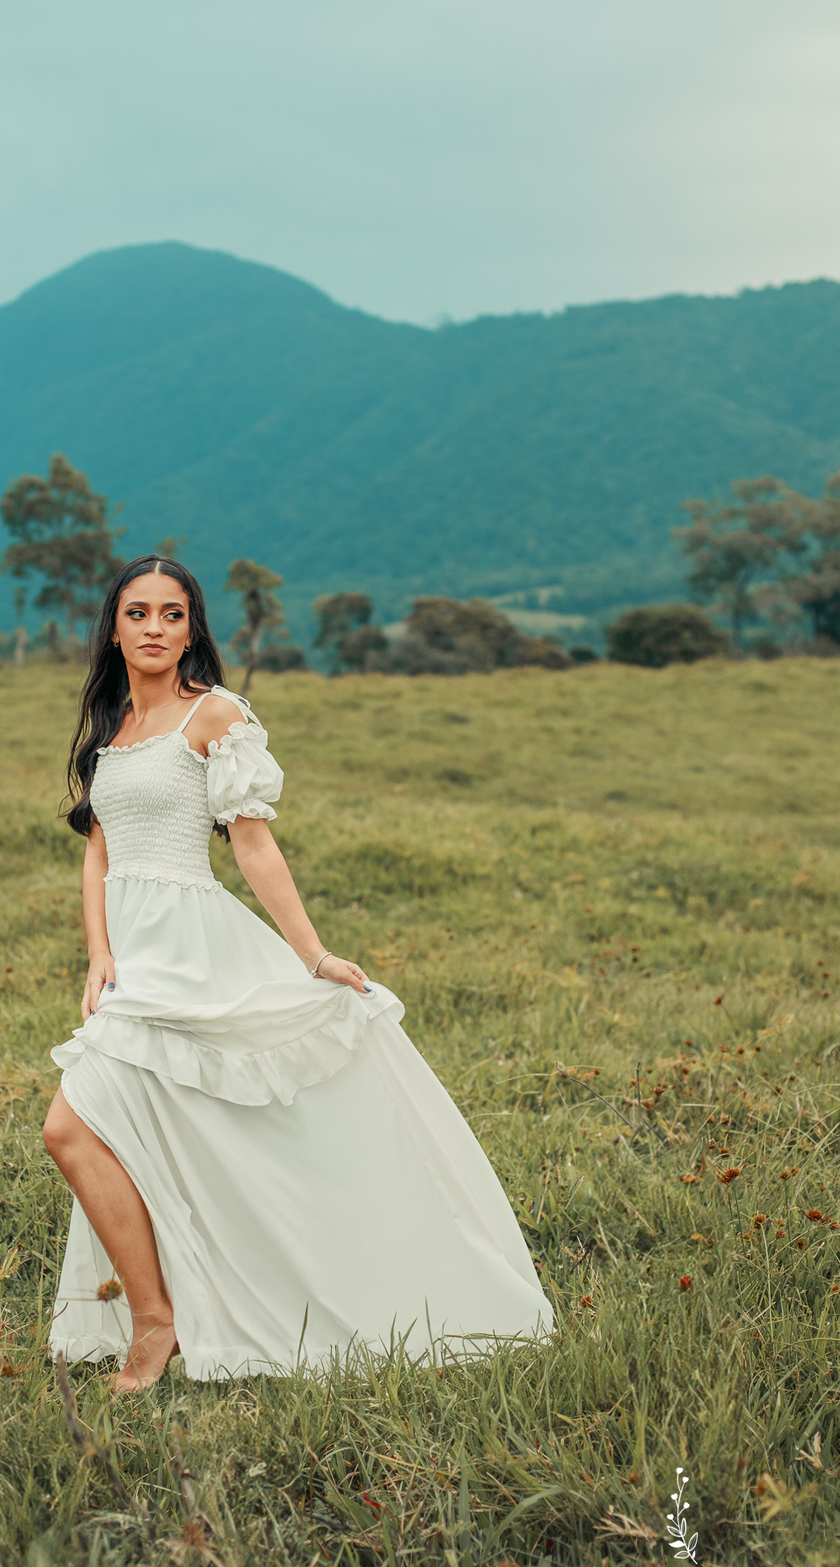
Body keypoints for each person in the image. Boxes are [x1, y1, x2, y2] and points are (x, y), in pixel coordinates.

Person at [43, 556, 553, 1391]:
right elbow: (99, 850)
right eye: (138, 613)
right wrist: (100, 954)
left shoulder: (216, 716)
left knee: (81, 1127)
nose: (154, 629)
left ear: (192, 628)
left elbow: (253, 845)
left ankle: (164, 1323)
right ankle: (160, 1316)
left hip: (196, 946)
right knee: (88, 1130)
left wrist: (311, 953)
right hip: (135, 961)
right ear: (112, 626)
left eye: (173, 615)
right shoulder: (113, 728)